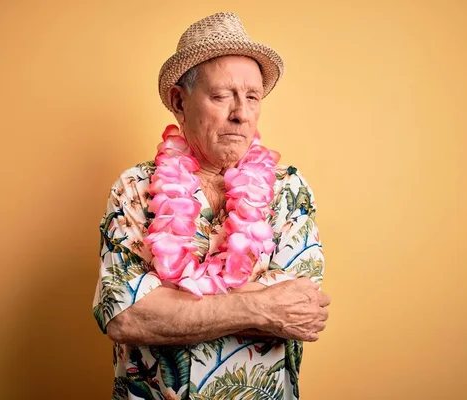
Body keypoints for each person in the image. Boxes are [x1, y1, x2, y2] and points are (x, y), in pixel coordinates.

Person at [93, 12, 331, 399]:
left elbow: (301, 307)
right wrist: (262, 308)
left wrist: (170, 305)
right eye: (221, 96)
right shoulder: (134, 188)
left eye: (252, 97)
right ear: (179, 101)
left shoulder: (289, 188)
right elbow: (126, 316)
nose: (241, 113)